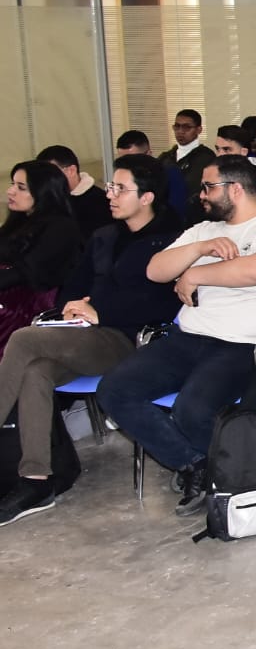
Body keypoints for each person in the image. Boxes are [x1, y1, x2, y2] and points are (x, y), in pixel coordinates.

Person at [96, 156, 256, 515]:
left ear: (235, 189)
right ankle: (197, 465)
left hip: (244, 344)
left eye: (208, 187)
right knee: (114, 390)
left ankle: (233, 473)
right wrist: (199, 249)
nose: (201, 195)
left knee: (191, 411)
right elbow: (156, 270)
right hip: (188, 338)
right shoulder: (202, 230)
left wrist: (195, 275)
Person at [0, 155, 183, 525]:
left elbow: (165, 302)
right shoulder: (105, 235)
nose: (109, 195)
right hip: (83, 335)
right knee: (36, 371)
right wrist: (74, 306)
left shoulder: (170, 240)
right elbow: (73, 285)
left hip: (129, 340)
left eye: (120, 189)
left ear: (146, 197)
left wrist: (102, 311)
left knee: (23, 340)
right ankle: (36, 480)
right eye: (111, 186)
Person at [0, 161, 84, 357]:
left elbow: (26, 272)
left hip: (27, 306)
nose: (10, 191)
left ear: (43, 192)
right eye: (12, 184)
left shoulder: (61, 228)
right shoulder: (19, 221)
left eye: (21, 187)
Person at [37, 145, 111, 236]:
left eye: (51, 175)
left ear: (71, 170)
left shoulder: (99, 202)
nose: (46, 181)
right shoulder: (46, 200)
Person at [116, 129, 187, 209]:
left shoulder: (170, 175)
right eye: (122, 161)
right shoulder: (120, 177)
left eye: (134, 160)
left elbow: (177, 210)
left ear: (148, 154)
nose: (127, 166)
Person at [160, 109, 216, 200]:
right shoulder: (165, 157)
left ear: (199, 130)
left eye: (186, 127)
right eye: (177, 126)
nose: (180, 131)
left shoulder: (206, 157)